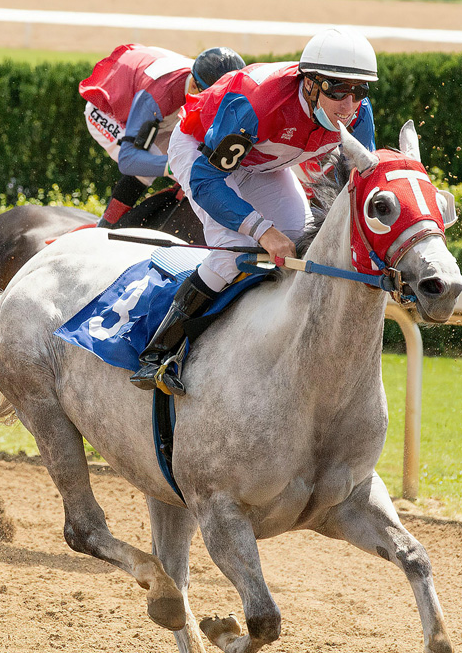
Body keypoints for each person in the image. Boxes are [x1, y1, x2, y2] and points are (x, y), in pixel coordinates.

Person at [130, 26, 378, 395]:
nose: (348, 104)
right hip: (201, 154)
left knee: (303, 243)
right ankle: (158, 353)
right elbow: (207, 180)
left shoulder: (357, 114)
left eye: (359, 91)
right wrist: (263, 230)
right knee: (233, 256)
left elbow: (362, 180)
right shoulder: (258, 102)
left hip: (261, 162)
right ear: (309, 84)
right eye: (337, 90)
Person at [79, 44, 246, 228]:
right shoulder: (159, 95)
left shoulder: (204, 81)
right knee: (151, 157)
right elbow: (128, 159)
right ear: (193, 86)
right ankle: (105, 225)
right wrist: (174, 166)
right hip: (108, 107)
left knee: (192, 155)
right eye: (213, 100)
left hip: (152, 92)